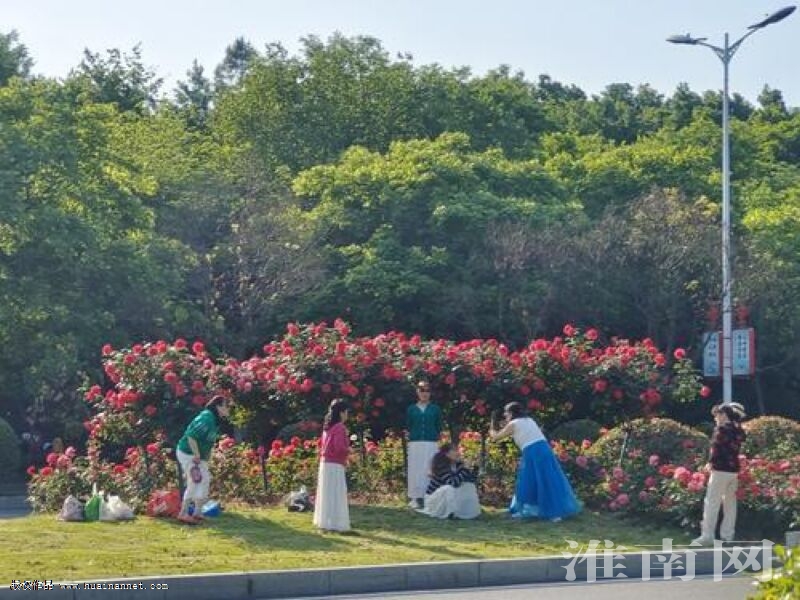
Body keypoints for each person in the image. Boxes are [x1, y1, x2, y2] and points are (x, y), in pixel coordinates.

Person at [489, 401, 581, 521]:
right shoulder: (529, 420)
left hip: (532, 451)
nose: (505, 415)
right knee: (548, 479)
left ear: (511, 413)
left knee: (528, 480)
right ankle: (554, 513)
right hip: (544, 448)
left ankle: (530, 511)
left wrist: (492, 423)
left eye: (506, 412)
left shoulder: (513, 424)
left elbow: (496, 437)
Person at [693, 402, 747, 545]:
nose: (715, 418)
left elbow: (716, 449)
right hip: (733, 470)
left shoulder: (721, 430)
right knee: (730, 504)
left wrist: (710, 463)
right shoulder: (738, 430)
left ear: (724, 415)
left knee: (712, 502)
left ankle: (707, 536)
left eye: (717, 415)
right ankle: (727, 535)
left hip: (720, 469)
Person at [175, 395, 231, 524]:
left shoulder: (215, 420)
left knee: (205, 480)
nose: (228, 409)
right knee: (196, 481)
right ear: (218, 407)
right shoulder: (206, 418)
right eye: (226, 406)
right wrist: (196, 455)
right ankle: (183, 513)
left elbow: (207, 441)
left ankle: (197, 512)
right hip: (188, 452)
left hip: (198, 455)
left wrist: (205, 457)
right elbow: (191, 436)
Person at [314, 399, 351, 532]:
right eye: (346, 412)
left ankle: (325, 521)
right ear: (341, 413)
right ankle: (336, 523)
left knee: (327, 494)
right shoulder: (340, 427)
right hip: (335, 464)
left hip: (325, 463)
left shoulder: (327, 427)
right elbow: (339, 447)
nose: (347, 415)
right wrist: (349, 450)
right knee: (336, 493)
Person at [406, 380, 444, 509]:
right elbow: (409, 426)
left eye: (427, 390)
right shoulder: (411, 409)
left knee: (430, 468)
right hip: (415, 443)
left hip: (431, 443)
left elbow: (439, 426)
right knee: (415, 469)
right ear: (417, 392)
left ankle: (430, 496)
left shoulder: (435, 409)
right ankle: (415, 498)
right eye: (422, 390)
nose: (425, 393)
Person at [420, 443, 481, 520]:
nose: (458, 453)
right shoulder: (441, 466)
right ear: (447, 453)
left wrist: (475, 468)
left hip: (446, 497)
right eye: (454, 450)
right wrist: (465, 469)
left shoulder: (458, 465)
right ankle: (449, 513)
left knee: (469, 486)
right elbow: (453, 483)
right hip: (434, 500)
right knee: (449, 488)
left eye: (457, 450)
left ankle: (466, 513)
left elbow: (471, 481)